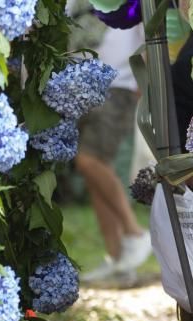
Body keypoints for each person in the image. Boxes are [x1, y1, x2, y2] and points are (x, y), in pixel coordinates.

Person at [77, 25, 152, 285]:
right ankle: (117, 260)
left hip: (118, 84)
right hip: (80, 83)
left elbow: (149, 33)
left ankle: (135, 232)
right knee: (94, 171)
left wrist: (144, 82)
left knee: (90, 160)